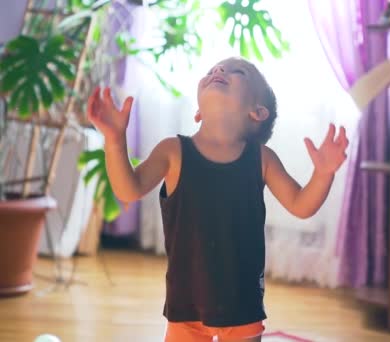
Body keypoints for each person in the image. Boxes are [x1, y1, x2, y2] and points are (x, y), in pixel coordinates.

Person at [86, 57, 349, 342]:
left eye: (238, 72)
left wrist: (323, 174)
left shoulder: (261, 159)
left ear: (257, 112)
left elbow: (300, 205)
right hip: (185, 303)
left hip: (242, 305)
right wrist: (114, 141)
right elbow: (129, 189)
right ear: (198, 111)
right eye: (212, 70)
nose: (219, 70)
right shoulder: (173, 151)